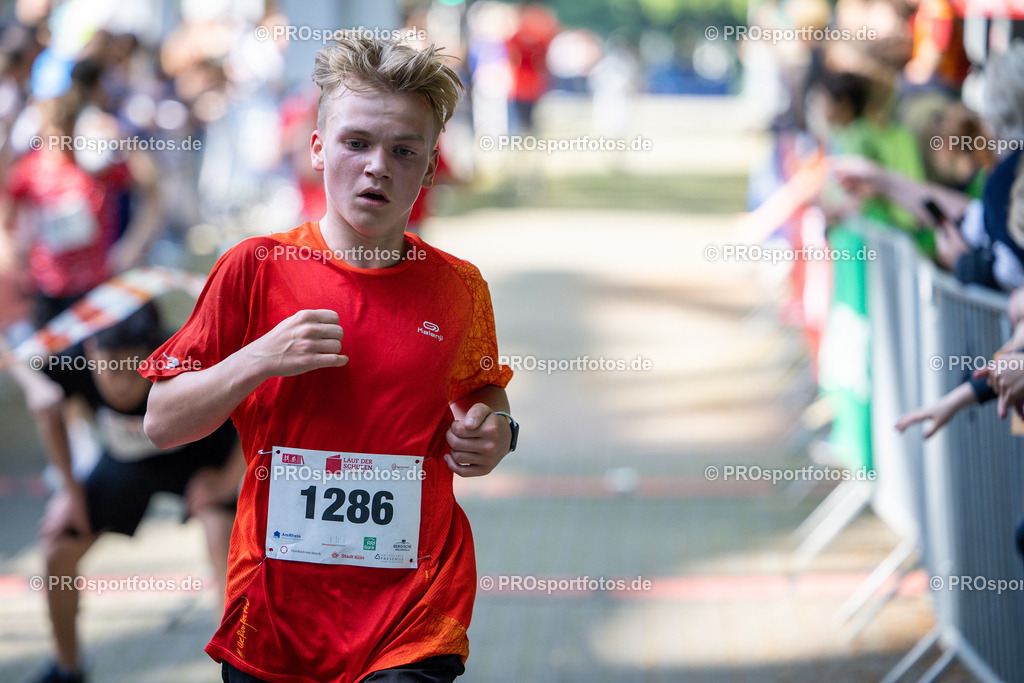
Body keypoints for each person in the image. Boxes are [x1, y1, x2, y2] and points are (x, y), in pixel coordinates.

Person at [140, 34, 515, 683]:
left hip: (414, 610)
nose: (378, 167)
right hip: (277, 610)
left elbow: (483, 395)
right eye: (356, 143)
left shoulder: (458, 287)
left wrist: (496, 433)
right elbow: (162, 420)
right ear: (317, 149)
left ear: (428, 169)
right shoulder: (253, 268)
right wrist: (258, 357)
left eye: (404, 150)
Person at [5, 303, 242, 683]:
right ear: (92, 351)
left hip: (201, 461)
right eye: (110, 366)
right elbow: (45, 404)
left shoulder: (189, 354)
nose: (122, 383)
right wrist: (70, 490)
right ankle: (68, 668)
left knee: (224, 539)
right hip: (125, 462)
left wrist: (228, 480)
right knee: (57, 548)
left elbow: (256, 401)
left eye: (134, 368)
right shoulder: (73, 360)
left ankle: (233, 666)